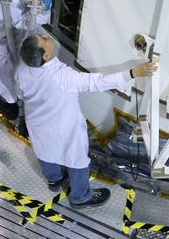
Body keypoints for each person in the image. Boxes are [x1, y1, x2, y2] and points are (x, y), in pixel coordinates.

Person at [16, 32, 156, 206]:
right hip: (65, 128)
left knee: (45, 152)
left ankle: (54, 180)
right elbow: (98, 82)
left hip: (37, 124)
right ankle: (80, 197)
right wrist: (133, 73)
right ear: (46, 55)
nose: (46, 36)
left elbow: (20, 93)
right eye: (44, 40)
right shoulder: (62, 77)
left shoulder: (23, 69)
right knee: (77, 160)